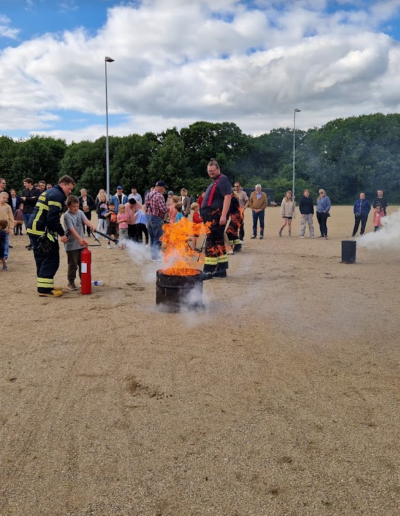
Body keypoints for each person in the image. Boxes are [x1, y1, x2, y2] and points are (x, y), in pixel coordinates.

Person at [27, 175, 75, 297]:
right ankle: (44, 289)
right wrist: (62, 234)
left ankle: (44, 286)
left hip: (35, 229)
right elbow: (53, 218)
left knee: (41, 258)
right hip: (41, 231)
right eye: (69, 189)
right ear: (63, 184)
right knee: (51, 258)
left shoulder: (51, 192)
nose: (70, 192)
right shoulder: (57, 195)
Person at [200, 158, 231, 279]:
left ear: (218, 169)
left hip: (216, 217)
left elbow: (227, 197)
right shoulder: (215, 181)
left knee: (211, 242)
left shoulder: (223, 180)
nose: (210, 173)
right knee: (218, 242)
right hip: (209, 217)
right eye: (209, 171)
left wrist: (223, 216)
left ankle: (208, 270)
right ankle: (221, 270)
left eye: (212, 171)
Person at [63, 195, 95, 291]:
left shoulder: (80, 212)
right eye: (74, 206)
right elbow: (72, 229)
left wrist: (92, 226)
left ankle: (83, 281)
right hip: (71, 246)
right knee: (72, 265)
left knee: (83, 264)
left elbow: (86, 221)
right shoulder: (66, 216)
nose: (76, 208)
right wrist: (79, 239)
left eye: (77, 206)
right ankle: (71, 283)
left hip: (81, 245)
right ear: (68, 206)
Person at [145, 180, 168, 261]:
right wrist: (167, 209)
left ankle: (153, 256)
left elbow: (146, 205)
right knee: (158, 238)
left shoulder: (149, 194)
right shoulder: (159, 196)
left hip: (148, 218)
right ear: (160, 187)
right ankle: (155, 257)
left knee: (152, 238)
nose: (164, 189)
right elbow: (162, 209)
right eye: (164, 187)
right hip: (156, 218)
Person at [21, 178, 41, 250]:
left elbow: (36, 200)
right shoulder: (24, 191)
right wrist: (30, 199)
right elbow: (23, 200)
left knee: (33, 228)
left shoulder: (37, 191)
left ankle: (35, 243)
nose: (24, 185)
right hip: (25, 212)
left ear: (30, 183)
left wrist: (26, 199)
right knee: (28, 229)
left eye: (25, 183)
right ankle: (32, 243)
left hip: (32, 212)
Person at [0, 192, 14, 263]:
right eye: (3, 198)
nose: (5, 199)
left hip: (5, 229)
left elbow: (11, 217)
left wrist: (10, 227)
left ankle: (5, 256)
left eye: (6, 198)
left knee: (5, 243)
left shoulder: (8, 206)